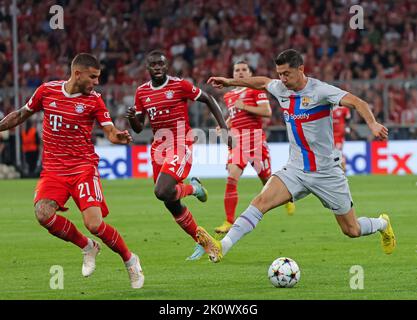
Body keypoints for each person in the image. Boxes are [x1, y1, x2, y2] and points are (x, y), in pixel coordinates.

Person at [196, 49, 396, 263]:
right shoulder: (281, 88)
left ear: (301, 69)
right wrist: (228, 81)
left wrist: (372, 123)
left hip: (326, 172)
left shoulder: (321, 91)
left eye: (286, 74)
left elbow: (358, 102)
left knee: (352, 229)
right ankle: (222, 247)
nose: (282, 79)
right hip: (296, 169)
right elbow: (263, 82)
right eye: (279, 74)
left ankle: (382, 224)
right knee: (260, 201)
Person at [0, 53, 144, 288]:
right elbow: (20, 115)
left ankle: (130, 260)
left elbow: (109, 130)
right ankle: (88, 247)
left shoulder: (94, 100)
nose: (96, 82)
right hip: (54, 170)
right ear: (78, 74)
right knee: (43, 214)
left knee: (95, 224)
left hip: (82, 168)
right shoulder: (47, 91)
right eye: (93, 77)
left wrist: (117, 136)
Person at [126, 50, 231, 261]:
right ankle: (203, 242)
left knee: (161, 190)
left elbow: (208, 99)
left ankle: (193, 188)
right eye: (153, 64)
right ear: (147, 68)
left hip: (180, 144)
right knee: (170, 201)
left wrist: (223, 128)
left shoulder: (179, 85)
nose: (157, 67)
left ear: (167, 67)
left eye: (161, 64)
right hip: (158, 148)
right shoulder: (142, 92)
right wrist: (131, 120)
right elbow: (138, 128)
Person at [214, 60, 295, 235]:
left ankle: (286, 198)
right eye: (237, 70)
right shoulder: (229, 96)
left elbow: (267, 112)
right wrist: (224, 126)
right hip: (237, 142)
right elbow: (235, 116)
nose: (240, 72)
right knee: (232, 177)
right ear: (233, 73)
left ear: (250, 74)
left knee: (267, 181)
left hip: (256, 141)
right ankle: (229, 221)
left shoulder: (255, 90)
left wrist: (245, 106)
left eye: (244, 69)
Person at [333, 105, 351, 171]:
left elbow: (348, 118)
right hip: (329, 134)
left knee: (338, 151)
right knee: (332, 152)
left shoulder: (343, 109)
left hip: (339, 135)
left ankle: (343, 168)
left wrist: (347, 127)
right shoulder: (329, 108)